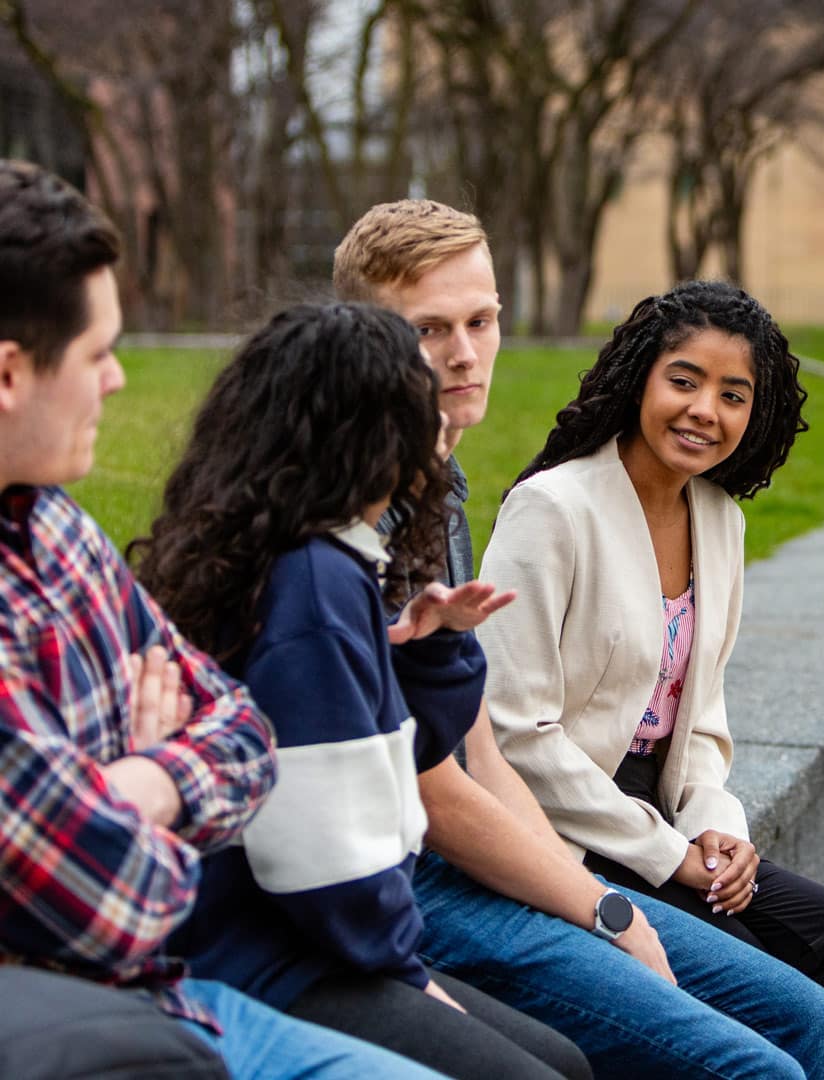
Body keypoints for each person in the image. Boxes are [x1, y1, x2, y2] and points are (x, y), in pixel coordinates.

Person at [330, 199, 824, 1080]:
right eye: (429, 329)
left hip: (526, 842)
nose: (464, 352)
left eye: (482, 320)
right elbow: (451, 780)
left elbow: (480, 742)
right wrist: (606, 905)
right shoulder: (364, 512)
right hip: (414, 878)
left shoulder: (444, 493)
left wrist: (623, 874)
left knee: (811, 1013)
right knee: (760, 1064)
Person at [0, 158, 445, 1080]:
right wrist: (163, 778)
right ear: (9, 374)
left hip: (165, 1001)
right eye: (98, 354)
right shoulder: (313, 582)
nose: (118, 381)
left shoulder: (55, 527)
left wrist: (137, 784)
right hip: (93, 1022)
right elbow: (125, 903)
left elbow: (244, 735)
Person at [132, 301, 592, 1080]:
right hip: (271, 955)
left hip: (308, 934)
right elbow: (317, 859)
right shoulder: (312, 585)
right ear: (375, 435)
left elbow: (406, 747)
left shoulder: (315, 555)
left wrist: (435, 648)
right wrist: (408, 975)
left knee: (561, 1062)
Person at [476, 279, 824, 1080]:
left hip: (670, 810)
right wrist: (670, 854)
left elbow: (701, 717)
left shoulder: (721, 521)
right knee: (775, 993)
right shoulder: (554, 510)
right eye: (685, 380)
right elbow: (512, 730)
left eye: (733, 394)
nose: (705, 409)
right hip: (565, 822)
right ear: (642, 377)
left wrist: (719, 829)